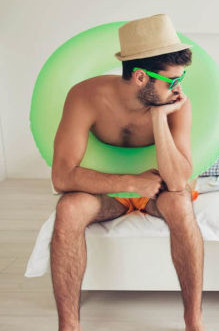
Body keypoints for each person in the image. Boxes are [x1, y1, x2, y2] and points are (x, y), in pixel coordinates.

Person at [50, 14, 205, 331]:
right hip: (110, 192)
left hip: (160, 191)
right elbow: (62, 177)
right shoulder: (86, 97)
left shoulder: (177, 104)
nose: (178, 89)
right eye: (171, 81)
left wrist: (160, 118)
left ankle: (193, 322)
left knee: (180, 203)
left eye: (181, 79)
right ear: (140, 77)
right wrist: (132, 182)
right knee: (68, 208)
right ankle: (69, 326)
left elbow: (177, 182)